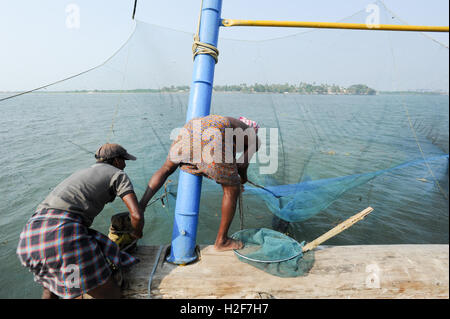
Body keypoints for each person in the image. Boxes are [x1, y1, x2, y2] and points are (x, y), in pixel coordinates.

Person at [16, 143, 144, 299]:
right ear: (117, 161)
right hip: (61, 235)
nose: (124, 165)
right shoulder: (118, 174)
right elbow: (136, 215)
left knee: (50, 290)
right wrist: (136, 232)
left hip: (30, 236)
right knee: (112, 295)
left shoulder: (82, 172)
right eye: (124, 160)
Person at [139, 115, 260, 251]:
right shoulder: (254, 139)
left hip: (191, 127)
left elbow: (227, 164)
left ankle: (141, 205)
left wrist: (233, 176)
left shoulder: (232, 128)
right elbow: (242, 166)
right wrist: (240, 181)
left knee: (166, 168)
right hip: (215, 133)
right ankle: (222, 241)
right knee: (231, 190)